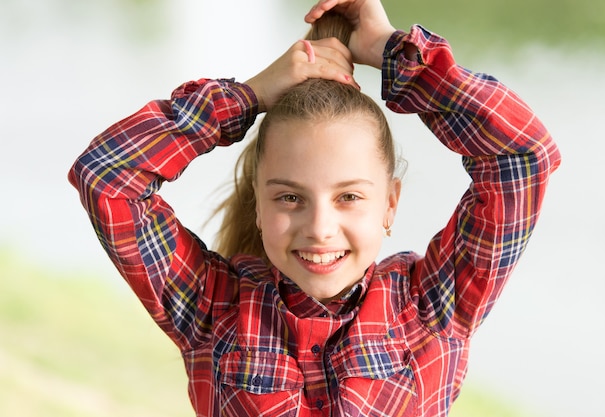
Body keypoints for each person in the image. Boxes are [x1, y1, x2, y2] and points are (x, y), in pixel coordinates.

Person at [68, 0, 561, 415]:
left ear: (390, 203)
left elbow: (521, 155)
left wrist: (394, 53)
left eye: (348, 197)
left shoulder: (436, 306)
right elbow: (107, 177)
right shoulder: (209, 307)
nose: (320, 228)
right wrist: (247, 96)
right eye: (290, 198)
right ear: (259, 204)